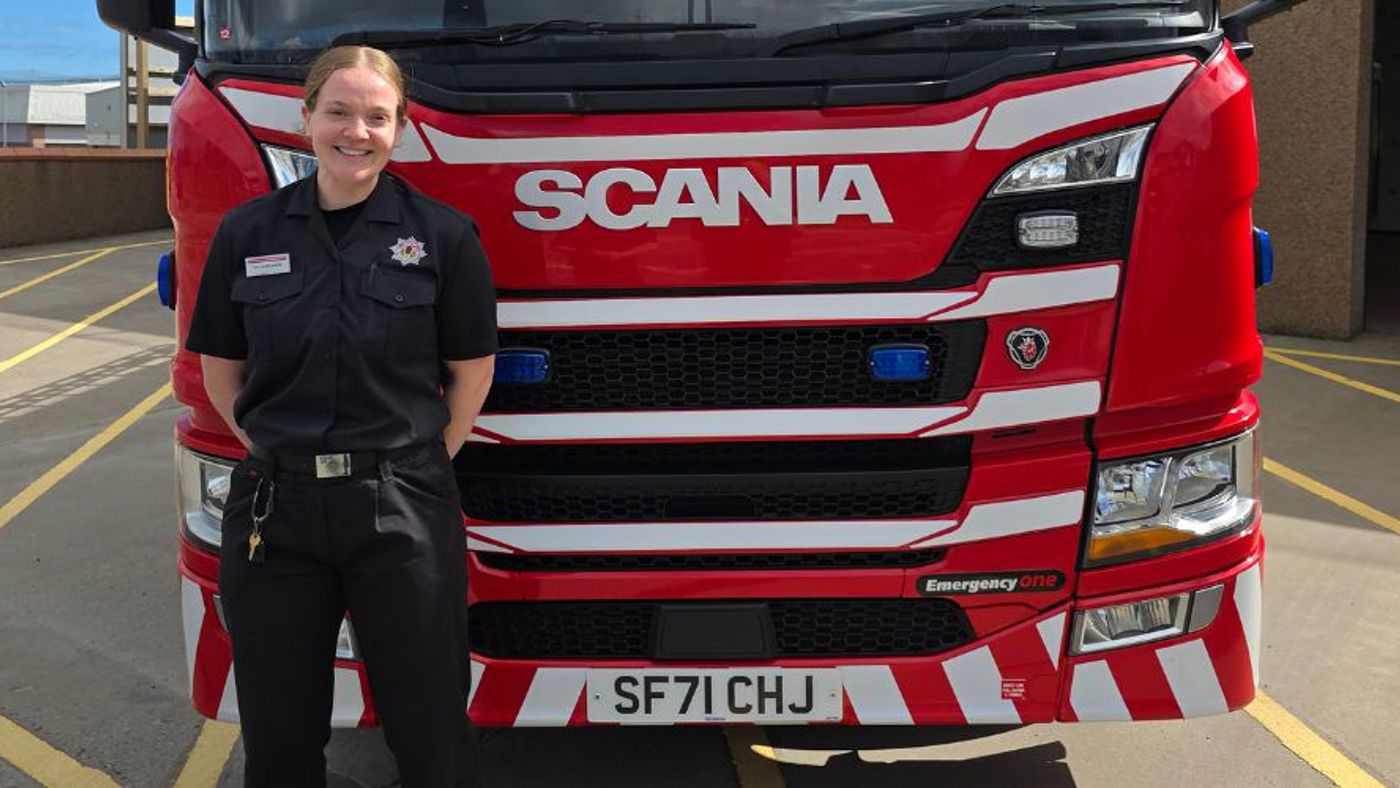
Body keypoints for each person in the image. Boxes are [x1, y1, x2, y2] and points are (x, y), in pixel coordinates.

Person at [185, 45, 496, 787]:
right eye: (339, 112)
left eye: (377, 117)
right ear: (307, 119)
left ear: (400, 129)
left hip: (402, 510)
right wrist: (269, 447)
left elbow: (472, 371)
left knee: (430, 737)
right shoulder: (247, 234)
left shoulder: (444, 236)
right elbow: (220, 368)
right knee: (280, 742)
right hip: (276, 513)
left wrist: (414, 464)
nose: (357, 132)